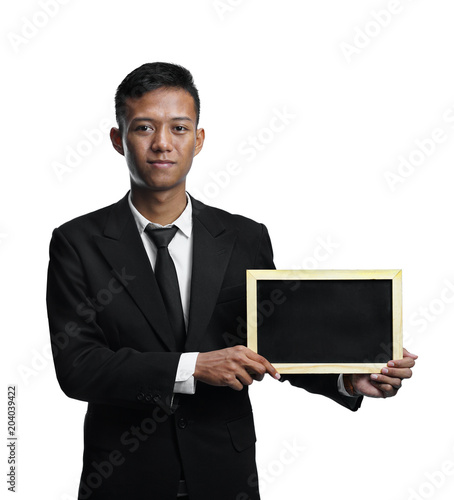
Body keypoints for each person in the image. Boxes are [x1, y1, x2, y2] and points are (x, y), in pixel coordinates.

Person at [46, 62, 417, 500]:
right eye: (144, 127)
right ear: (118, 138)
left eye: (179, 128)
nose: (162, 143)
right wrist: (194, 367)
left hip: (224, 473)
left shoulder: (244, 238)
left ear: (198, 140)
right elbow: (79, 368)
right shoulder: (76, 242)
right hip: (123, 475)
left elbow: (278, 341)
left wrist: (347, 379)